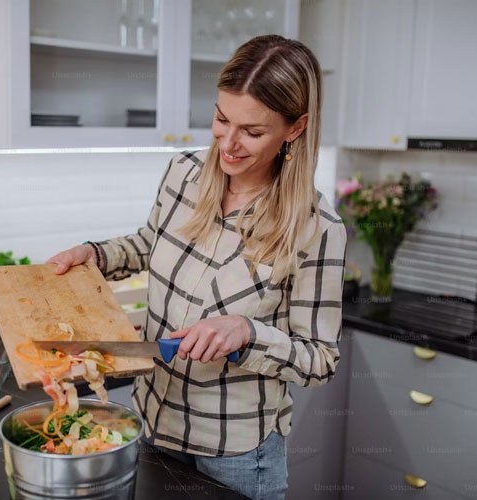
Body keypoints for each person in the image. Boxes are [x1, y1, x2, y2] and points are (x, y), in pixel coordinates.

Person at [46, 34, 346, 500]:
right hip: (152, 422)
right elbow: (150, 243)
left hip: (237, 454)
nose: (228, 142)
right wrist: (97, 255)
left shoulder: (317, 228)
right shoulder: (184, 173)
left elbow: (320, 360)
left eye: (252, 131)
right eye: (221, 118)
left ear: (295, 128)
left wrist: (247, 332)